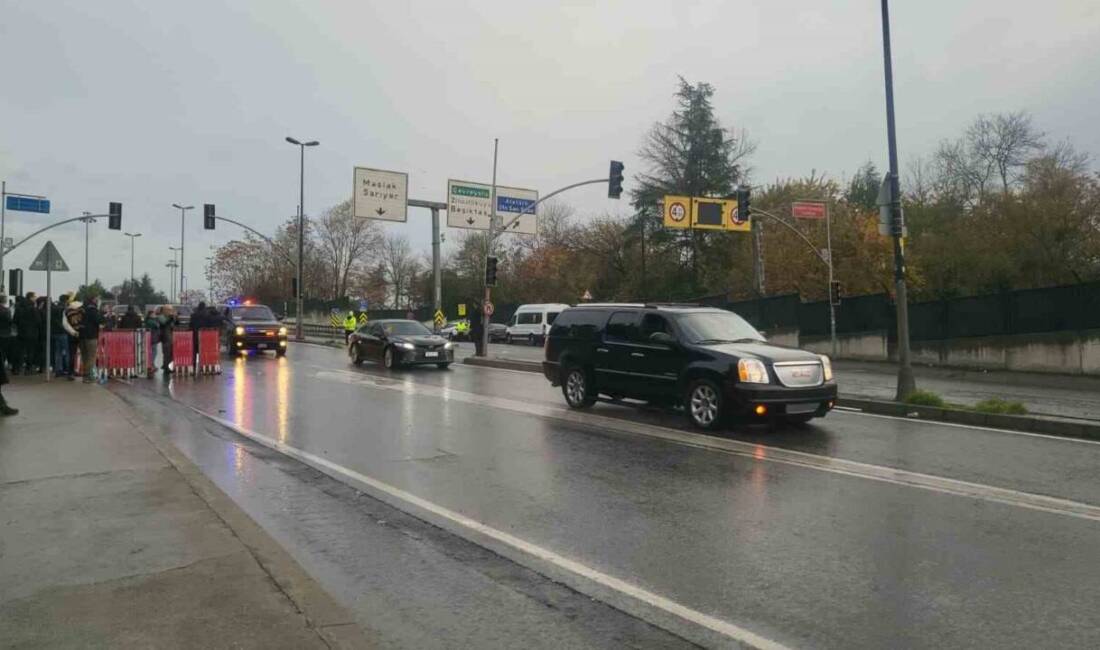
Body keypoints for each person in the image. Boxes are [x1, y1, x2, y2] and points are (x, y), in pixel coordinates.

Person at [79, 297, 105, 383]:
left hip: (82, 336)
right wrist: (103, 314)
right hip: (91, 336)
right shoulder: (93, 311)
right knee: (91, 357)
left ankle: (85, 376)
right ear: (94, 302)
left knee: (85, 356)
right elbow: (99, 320)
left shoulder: (83, 310)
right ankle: (90, 377)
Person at [14, 292, 40, 374]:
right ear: (30, 297)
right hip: (32, 333)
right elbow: (38, 321)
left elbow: (15, 320)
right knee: (30, 351)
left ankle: (17, 369)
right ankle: (28, 369)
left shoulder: (19, 308)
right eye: (34, 296)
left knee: (20, 351)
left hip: (21, 332)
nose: (35, 298)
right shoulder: (33, 308)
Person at [0, 295, 15, 416]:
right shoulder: (5, 311)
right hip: (4, 336)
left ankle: (3, 406)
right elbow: (10, 322)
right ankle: (3, 406)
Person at [50, 294, 72, 379]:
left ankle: (58, 370)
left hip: (55, 332)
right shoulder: (65, 309)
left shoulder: (53, 308)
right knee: (66, 351)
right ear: (66, 300)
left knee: (57, 352)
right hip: (63, 332)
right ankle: (67, 369)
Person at [63, 299, 83, 380]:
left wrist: (73, 332)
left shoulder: (66, 311)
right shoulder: (83, 310)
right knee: (84, 354)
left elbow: (65, 324)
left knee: (72, 354)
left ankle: (70, 373)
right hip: (83, 334)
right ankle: (83, 371)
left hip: (72, 335)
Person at [158, 305, 177, 375]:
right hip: (165, 337)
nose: (170, 311)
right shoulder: (161, 317)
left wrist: (176, 318)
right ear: (164, 310)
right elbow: (164, 323)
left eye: (171, 310)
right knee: (167, 352)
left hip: (171, 336)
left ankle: (168, 366)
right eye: (168, 310)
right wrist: (170, 318)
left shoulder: (170, 317)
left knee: (171, 352)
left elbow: (174, 324)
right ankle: (167, 367)